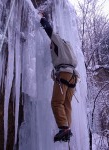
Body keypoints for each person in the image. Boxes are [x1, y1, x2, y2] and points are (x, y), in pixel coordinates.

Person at [38, 12, 78, 142]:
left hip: (64, 73)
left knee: (56, 102)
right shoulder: (69, 45)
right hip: (74, 75)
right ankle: (67, 129)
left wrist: (42, 18)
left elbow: (49, 30)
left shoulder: (57, 40)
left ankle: (63, 128)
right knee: (67, 103)